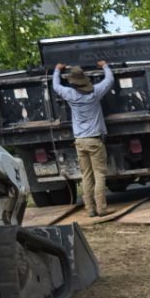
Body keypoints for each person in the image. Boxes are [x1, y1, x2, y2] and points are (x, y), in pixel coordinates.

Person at [50, 58, 114, 218]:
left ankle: (90, 209)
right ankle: (101, 208)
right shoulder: (95, 93)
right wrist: (105, 66)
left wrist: (57, 69)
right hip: (95, 140)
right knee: (99, 174)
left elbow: (56, 86)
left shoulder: (70, 94)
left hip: (79, 141)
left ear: (73, 82)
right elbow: (109, 80)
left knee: (86, 175)